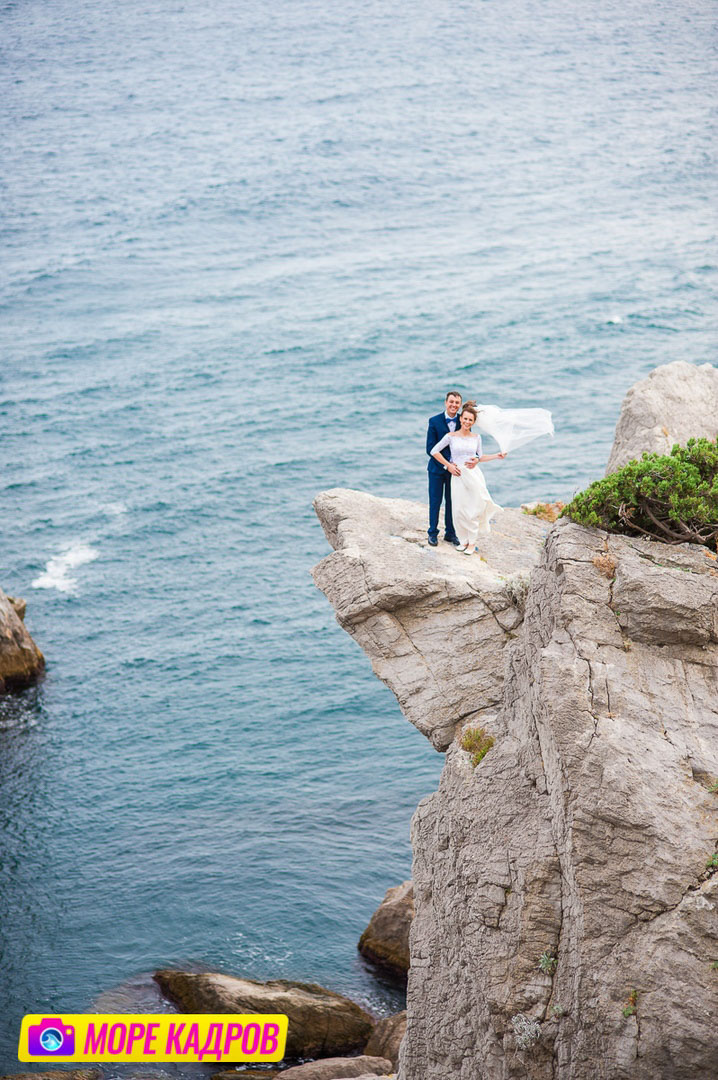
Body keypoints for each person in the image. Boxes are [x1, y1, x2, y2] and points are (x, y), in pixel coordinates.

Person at [430, 402, 506, 553]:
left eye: (470, 420)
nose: (466, 422)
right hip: (457, 476)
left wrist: (497, 456)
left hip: (473, 475)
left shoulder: (476, 438)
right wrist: (449, 465)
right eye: (465, 419)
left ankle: (472, 543)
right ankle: (463, 541)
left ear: (473, 422)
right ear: (461, 419)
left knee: (472, 509)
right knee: (458, 510)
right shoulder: (450, 436)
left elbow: (480, 457)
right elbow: (434, 451)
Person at [426, 391, 463, 547]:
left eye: (457, 403)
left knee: (452, 502)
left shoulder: (463, 421)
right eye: (451, 402)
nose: (454, 405)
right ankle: (432, 533)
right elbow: (430, 449)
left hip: (455, 471)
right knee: (435, 501)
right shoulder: (434, 421)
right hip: (436, 469)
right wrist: (446, 465)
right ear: (445, 402)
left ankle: (450, 533)